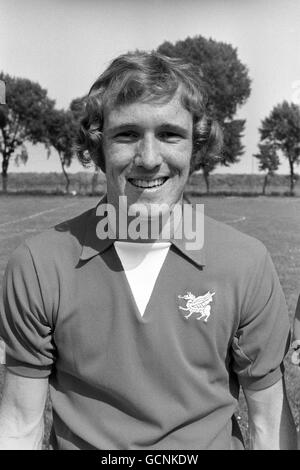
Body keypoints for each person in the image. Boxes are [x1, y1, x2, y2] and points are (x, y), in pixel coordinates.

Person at [0, 51, 297, 450]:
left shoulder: (245, 263)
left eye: (170, 134)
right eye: (126, 135)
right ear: (98, 146)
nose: (149, 158)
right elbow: (18, 424)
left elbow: (269, 426)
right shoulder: (39, 265)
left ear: (196, 145)